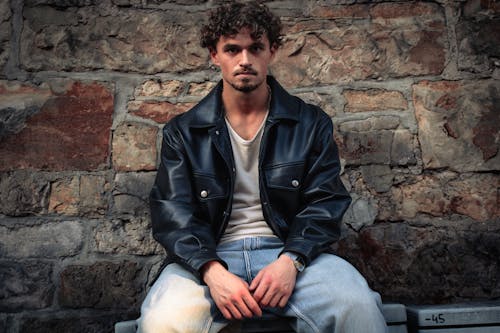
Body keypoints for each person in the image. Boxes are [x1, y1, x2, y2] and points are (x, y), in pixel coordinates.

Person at [137, 1, 387, 332]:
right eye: (232, 49)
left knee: (357, 307)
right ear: (215, 54)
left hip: (289, 255)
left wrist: (292, 260)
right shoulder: (183, 132)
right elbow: (173, 214)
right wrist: (211, 270)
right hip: (209, 259)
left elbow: (325, 202)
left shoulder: (309, 123)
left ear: (272, 50)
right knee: (162, 320)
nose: (244, 60)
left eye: (255, 48)